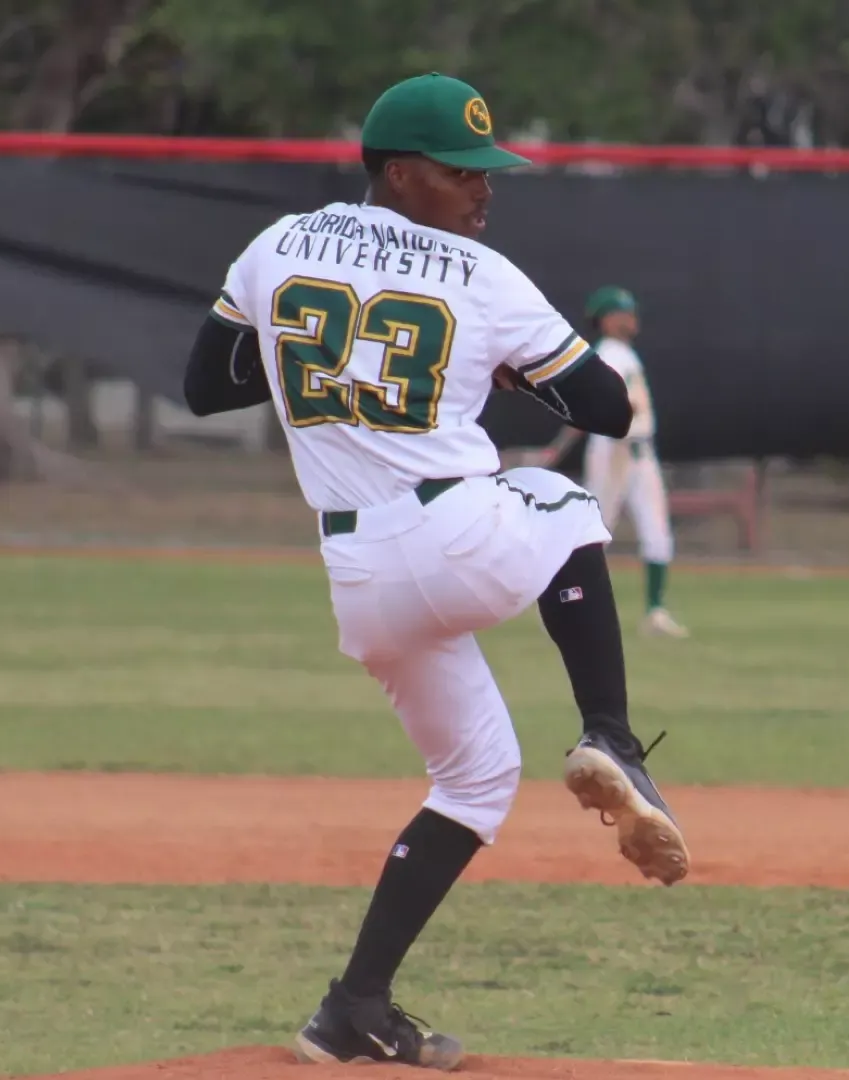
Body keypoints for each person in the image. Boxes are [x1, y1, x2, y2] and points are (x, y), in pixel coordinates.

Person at [179, 73, 690, 1072]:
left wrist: (329, 367)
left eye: (486, 173)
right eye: (462, 173)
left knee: (476, 778)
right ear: (402, 172)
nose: (484, 190)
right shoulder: (480, 275)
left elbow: (208, 385)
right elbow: (607, 409)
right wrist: (508, 368)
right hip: (454, 535)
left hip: (359, 575)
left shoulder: (276, 246)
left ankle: (351, 1008)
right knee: (567, 504)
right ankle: (614, 738)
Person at [536, 287, 688, 638]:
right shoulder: (607, 353)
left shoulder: (625, 353)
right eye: (623, 312)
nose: (631, 318)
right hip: (614, 449)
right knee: (593, 532)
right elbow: (597, 406)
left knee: (657, 532)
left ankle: (655, 611)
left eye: (631, 311)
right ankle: (564, 605)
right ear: (605, 319)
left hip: (639, 450)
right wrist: (559, 448)